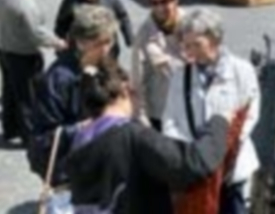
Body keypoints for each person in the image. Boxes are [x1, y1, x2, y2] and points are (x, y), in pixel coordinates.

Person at [65, 56, 231, 214]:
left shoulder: (80, 139)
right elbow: (191, 164)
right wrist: (219, 121)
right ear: (124, 91)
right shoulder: (132, 136)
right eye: (134, 93)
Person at [162, 8, 261, 213]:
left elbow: (250, 113)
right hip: (196, 171)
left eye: (196, 44)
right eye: (186, 45)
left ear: (214, 40)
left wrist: (227, 148)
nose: (189, 51)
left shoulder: (241, 70)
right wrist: (187, 155)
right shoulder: (181, 76)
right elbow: (170, 119)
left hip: (231, 171)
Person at [27, 5, 120, 186]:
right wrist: (85, 127)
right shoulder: (57, 80)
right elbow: (42, 138)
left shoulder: (105, 66)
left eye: (110, 41)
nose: (107, 49)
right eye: (102, 42)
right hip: (72, 174)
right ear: (82, 42)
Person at [0, 0, 67, 144]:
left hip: (2, 49)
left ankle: (10, 129)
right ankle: (30, 136)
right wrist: (58, 43)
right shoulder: (24, 2)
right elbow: (37, 32)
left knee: (9, 91)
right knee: (28, 96)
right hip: (22, 54)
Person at [130, 0, 184, 131]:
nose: (160, 8)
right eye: (155, 3)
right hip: (161, 112)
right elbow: (138, 79)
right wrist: (141, 117)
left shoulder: (191, 25)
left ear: (175, 0)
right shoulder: (144, 35)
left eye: (166, 1)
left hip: (192, 108)